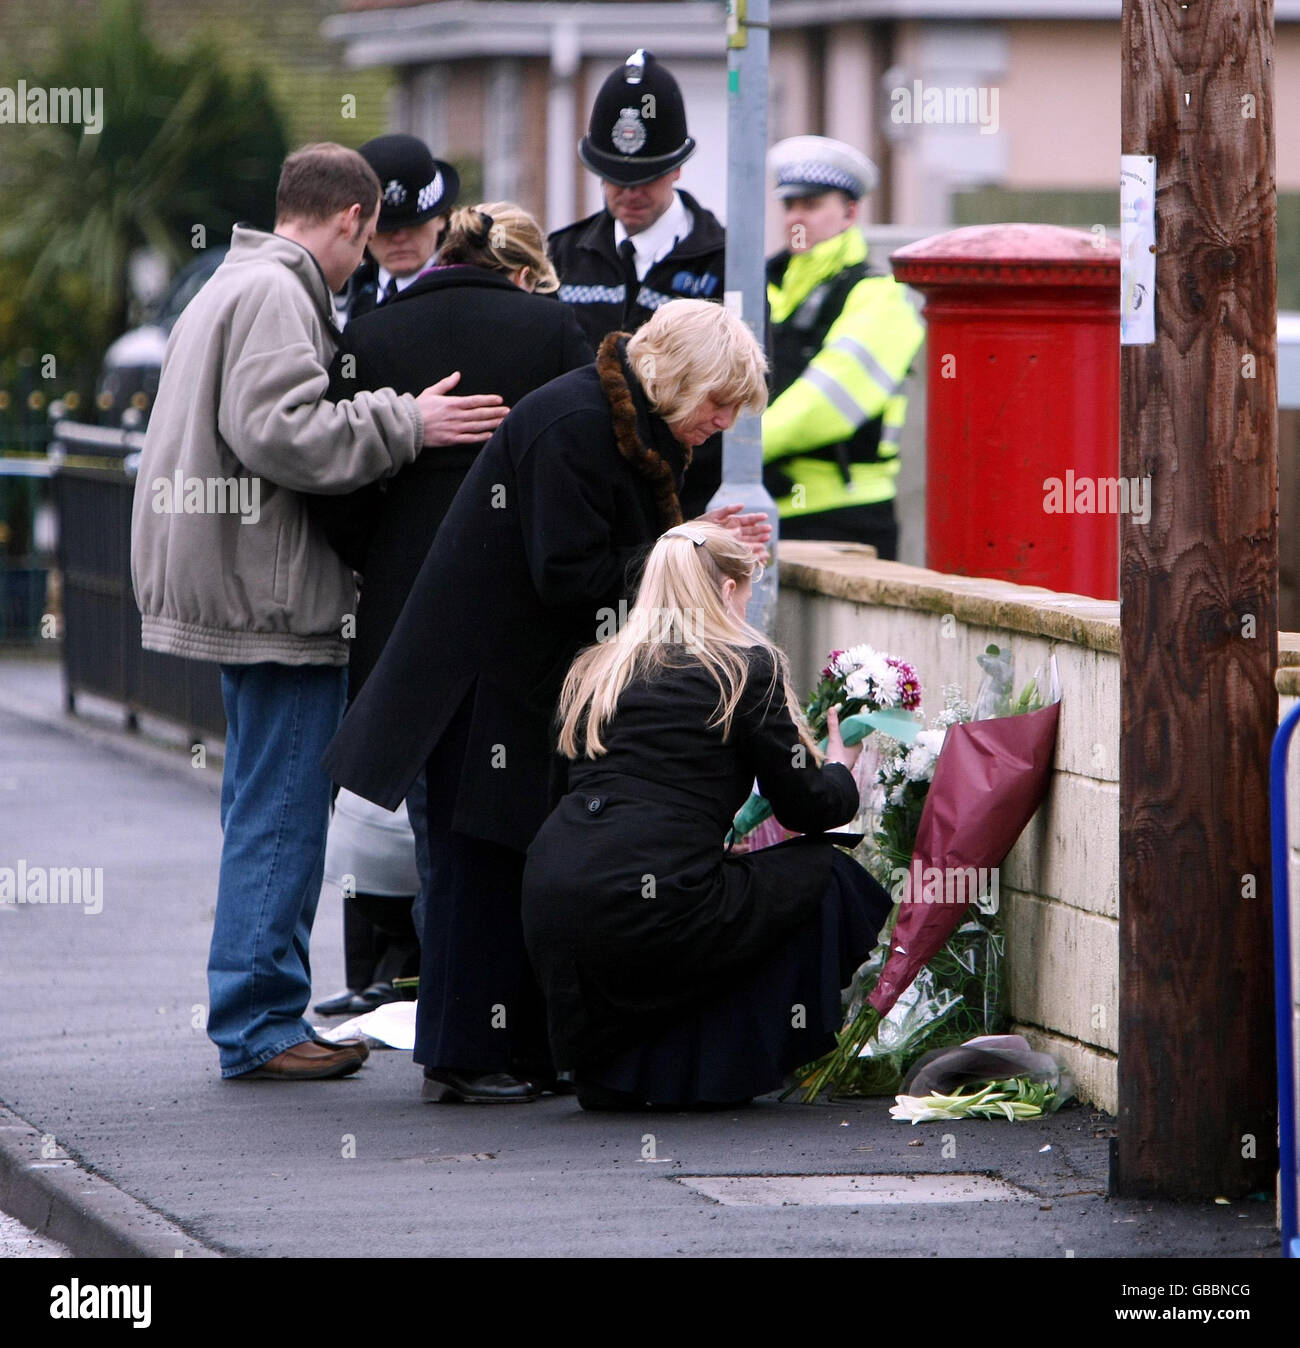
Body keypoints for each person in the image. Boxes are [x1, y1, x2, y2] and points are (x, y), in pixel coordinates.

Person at [322, 299, 770, 1104]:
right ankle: (464, 1056)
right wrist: (683, 551)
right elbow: (568, 574)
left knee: (515, 858)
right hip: (480, 682)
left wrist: (690, 541)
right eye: (718, 400)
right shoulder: (572, 423)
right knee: (478, 866)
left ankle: (516, 1048)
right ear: (677, 377)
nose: (726, 420)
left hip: (512, 676)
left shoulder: (614, 417)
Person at [130, 142, 509, 1082]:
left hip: (243, 582)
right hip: (274, 598)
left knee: (265, 800)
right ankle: (261, 1026)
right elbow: (281, 432)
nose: (361, 266)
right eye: (366, 238)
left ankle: (257, 1010)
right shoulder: (276, 292)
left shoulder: (237, 278)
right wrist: (407, 422)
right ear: (350, 219)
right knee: (283, 811)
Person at [309, 202, 592, 1012]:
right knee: (522, 822)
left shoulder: (371, 335)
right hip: (526, 623)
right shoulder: (552, 331)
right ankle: (515, 1017)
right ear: (514, 267)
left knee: (438, 831)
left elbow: (336, 493)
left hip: (410, 619)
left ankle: (449, 1008)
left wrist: (392, 558)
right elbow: (574, 471)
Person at [522, 521, 894, 1109]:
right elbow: (809, 809)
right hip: (656, 902)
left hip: (556, 893)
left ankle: (624, 1074)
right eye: (747, 593)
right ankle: (716, 1070)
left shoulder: (596, 669)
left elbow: (572, 795)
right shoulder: (742, 670)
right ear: (725, 591)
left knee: (712, 895)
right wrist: (842, 769)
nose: (749, 609)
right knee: (828, 876)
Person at [548, 48, 726, 516]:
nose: (629, 193)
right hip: (579, 495)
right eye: (614, 178)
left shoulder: (727, 263)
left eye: (645, 177)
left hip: (685, 507)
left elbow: (738, 392)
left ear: (678, 167)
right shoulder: (561, 255)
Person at [763, 135, 925, 558]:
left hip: (843, 516)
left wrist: (734, 450)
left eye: (811, 205)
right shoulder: (762, 285)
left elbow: (825, 403)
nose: (796, 218)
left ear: (850, 212)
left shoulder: (879, 296)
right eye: (789, 205)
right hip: (759, 507)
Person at [343, 133, 459, 322]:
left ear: (442, 218)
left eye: (415, 224)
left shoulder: (467, 296)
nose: (399, 237)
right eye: (385, 227)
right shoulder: (343, 297)